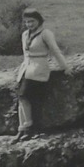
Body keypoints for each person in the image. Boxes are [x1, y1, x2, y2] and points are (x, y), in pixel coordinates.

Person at [15, 7, 66, 137]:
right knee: (24, 98)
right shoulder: (25, 35)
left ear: (39, 20)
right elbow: (26, 54)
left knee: (25, 96)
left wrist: (64, 66)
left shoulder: (45, 33)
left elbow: (55, 50)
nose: (29, 24)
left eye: (32, 21)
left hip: (39, 69)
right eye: (26, 22)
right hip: (26, 69)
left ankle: (28, 128)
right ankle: (23, 129)